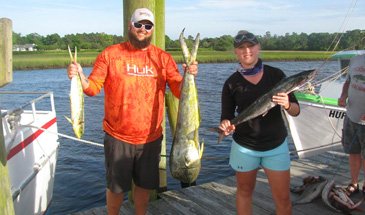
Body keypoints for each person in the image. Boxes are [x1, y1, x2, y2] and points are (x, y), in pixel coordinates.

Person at [67, 8, 198, 215]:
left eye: (148, 26)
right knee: (116, 187)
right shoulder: (110, 55)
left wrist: (188, 76)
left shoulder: (163, 58)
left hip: (151, 138)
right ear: (130, 26)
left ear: (152, 30)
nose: (143, 29)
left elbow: (179, 91)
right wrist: (79, 75)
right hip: (117, 137)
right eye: (138, 24)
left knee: (145, 186)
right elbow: (92, 88)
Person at [218, 30, 300, 215]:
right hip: (244, 147)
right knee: (244, 192)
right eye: (241, 48)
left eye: (250, 46)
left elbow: (296, 110)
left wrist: (287, 104)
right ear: (236, 52)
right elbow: (226, 116)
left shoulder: (276, 75)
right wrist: (225, 125)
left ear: (258, 48)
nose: (247, 51)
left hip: (275, 146)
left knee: (283, 198)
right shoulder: (231, 83)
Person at [338, 54, 365, 196]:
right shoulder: (355, 60)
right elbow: (348, 82)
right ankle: (354, 183)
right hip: (351, 115)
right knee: (353, 151)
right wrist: (343, 96)